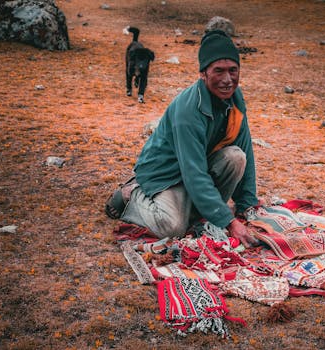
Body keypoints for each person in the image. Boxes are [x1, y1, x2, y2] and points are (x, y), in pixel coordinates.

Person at [105, 30, 260, 248]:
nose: (227, 80)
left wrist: (247, 205)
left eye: (233, 70)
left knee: (237, 157)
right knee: (173, 227)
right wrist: (230, 223)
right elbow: (193, 173)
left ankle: (198, 212)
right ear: (203, 74)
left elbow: (245, 147)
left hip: (196, 168)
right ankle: (132, 194)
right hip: (165, 174)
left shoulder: (235, 98)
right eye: (219, 71)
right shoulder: (188, 110)